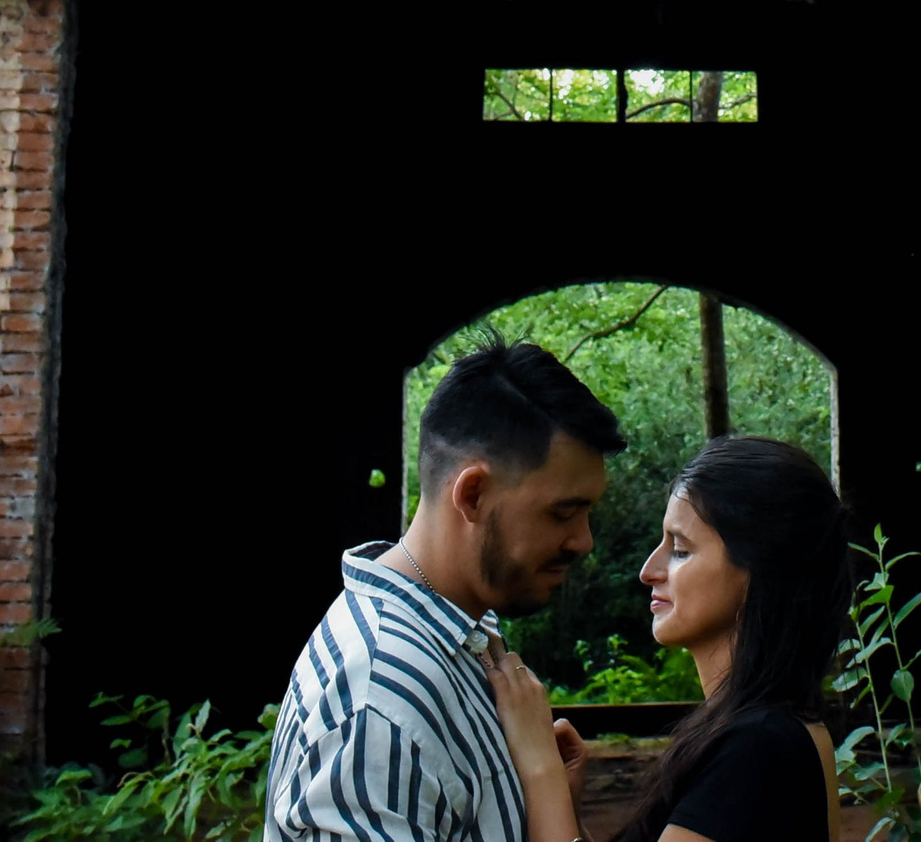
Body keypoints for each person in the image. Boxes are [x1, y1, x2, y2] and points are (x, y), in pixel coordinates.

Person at [266, 337, 626, 842]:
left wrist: (549, 802)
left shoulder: (462, 635)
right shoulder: (378, 704)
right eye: (562, 513)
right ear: (473, 495)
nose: (583, 541)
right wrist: (543, 785)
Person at [484, 436, 854, 842]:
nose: (648, 570)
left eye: (679, 549)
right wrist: (567, 807)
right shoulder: (778, 727)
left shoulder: (759, 747)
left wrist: (540, 771)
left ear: (759, 571)